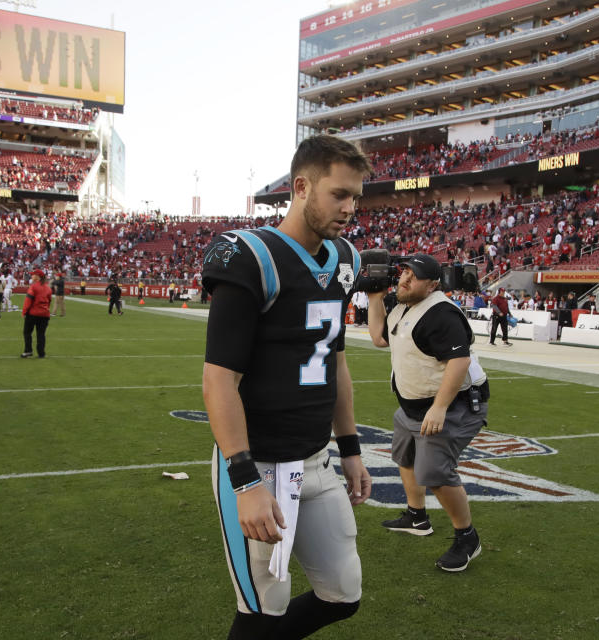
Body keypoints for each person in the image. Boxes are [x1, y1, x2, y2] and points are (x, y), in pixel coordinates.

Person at [202, 135, 372, 638]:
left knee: (343, 594)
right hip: (260, 465)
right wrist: (246, 481)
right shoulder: (251, 255)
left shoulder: (346, 260)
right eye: (339, 194)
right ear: (301, 187)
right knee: (261, 608)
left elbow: (335, 362)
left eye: (356, 197)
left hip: (317, 461)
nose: (350, 208)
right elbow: (218, 381)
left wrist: (352, 448)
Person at [367, 253, 489, 572]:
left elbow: (459, 362)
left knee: (434, 471)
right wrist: (375, 298)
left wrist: (439, 407)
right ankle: (417, 516)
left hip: (454, 404)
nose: (404, 279)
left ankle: (467, 537)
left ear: (432, 283)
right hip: (414, 406)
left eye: (413, 275)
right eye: (404, 272)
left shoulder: (441, 313)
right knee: (405, 456)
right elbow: (380, 338)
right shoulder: (404, 305)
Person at [21, 269, 51, 358]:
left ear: (37, 276)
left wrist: (24, 312)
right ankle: (41, 353)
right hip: (44, 314)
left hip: (33, 314)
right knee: (41, 334)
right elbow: (49, 301)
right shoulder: (48, 288)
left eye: (33, 274)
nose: (31, 276)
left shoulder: (33, 287)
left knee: (27, 332)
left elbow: (28, 301)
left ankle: (28, 351)